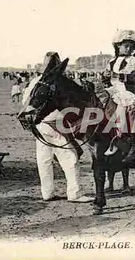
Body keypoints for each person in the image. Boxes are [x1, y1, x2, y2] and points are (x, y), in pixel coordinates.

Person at [21, 52, 92, 203]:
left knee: (44, 159)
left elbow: (25, 102)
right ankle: (75, 193)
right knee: (69, 157)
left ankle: (47, 192)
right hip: (54, 124)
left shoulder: (35, 81)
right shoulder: (56, 82)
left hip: (38, 124)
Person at [102, 30, 135, 160]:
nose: (128, 49)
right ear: (118, 46)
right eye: (125, 46)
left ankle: (125, 140)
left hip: (130, 90)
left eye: (131, 47)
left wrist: (120, 76)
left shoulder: (134, 61)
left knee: (123, 108)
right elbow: (106, 78)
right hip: (114, 89)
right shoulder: (112, 61)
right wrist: (105, 78)